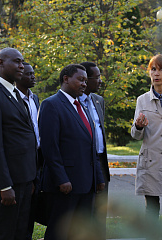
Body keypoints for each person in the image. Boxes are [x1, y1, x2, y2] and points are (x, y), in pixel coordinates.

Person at [38, 64, 105, 240]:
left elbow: (92, 146)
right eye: (80, 80)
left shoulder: (81, 106)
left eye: (85, 80)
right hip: (65, 186)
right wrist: (62, 179)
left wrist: (98, 178)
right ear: (66, 79)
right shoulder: (51, 105)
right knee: (60, 232)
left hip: (87, 185)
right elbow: (50, 148)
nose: (84, 84)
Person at [0, 47, 37, 240]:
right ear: (1, 63)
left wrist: (31, 178)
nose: (21, 66)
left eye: (22, 62)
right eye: (16, 62)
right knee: (3, 234)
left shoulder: (14, 92)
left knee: (20, 233)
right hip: (6, 182)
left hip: (23, 178)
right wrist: (4, 186)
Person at [79, 62, 110, 239]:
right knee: (84, 212)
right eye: (96, 77)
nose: (100, 80)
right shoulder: (73, 102)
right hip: (83, 163)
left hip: (100, 163)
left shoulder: (99, 101)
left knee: (100, 211)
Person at [131, 54, 162, 224]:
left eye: (160, 69)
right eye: (153, 69)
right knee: (151, 208)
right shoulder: (142, 100)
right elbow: (135, 136)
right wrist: (139, 126)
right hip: (151, 162)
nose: (156, 74)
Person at [15, 62, 41, 240]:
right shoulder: (13, 98)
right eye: (28, 74)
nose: (32, 77)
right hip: (21, 160)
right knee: (19, 213)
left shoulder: (35, 98)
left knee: (30, 210)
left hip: (37, 156)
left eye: (33, 74)